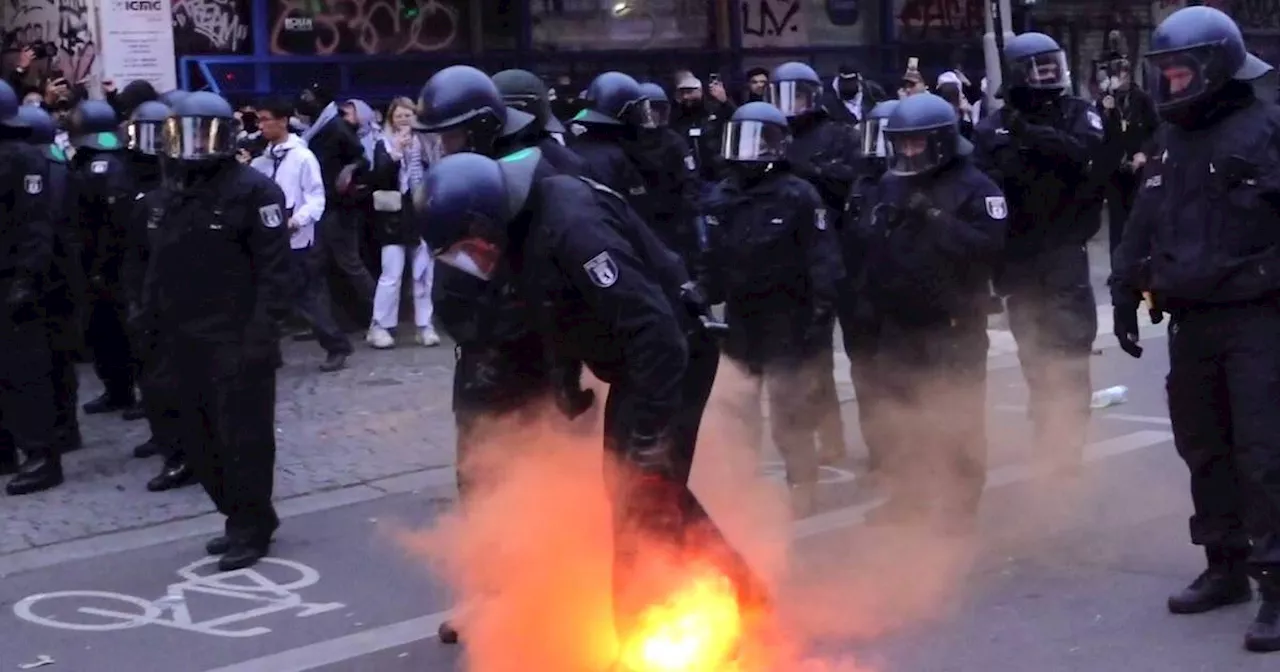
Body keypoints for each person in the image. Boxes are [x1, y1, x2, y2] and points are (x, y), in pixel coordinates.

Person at [416, 150, 764, 649]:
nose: (471, 263)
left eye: (468, 248)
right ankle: (744, 595)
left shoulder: (572, 226)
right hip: (634, 362)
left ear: (483, 220)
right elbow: (553, 311)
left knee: (640, 494)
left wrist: (647, 437)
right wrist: (565, 379)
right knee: (637, 488)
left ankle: (648, 636)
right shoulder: (519, 230)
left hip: (673, 356)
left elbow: (655, 333)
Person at [1110, 5, 1280, 653]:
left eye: (1180, 73)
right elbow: (1141, 224)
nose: (1170, 84)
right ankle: (1225, 564)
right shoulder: (1171, 140)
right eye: (1166, 73)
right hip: (1190, 321)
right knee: (1204, 447)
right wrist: (1123, 290)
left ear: (1215, 66)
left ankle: (1276, 586)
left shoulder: (1266, 130)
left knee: (1263, 453)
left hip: (1257, 317)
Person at [140, 91, 292, 570]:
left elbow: (274, 273)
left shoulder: (254, 191)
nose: (192, 147)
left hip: (237, 337)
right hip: (183, 337)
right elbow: (156, 267)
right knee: (199, 438)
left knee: (243, 439)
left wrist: (259, 338)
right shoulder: (169, 195)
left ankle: (253, 523)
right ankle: (234, 516)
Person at [857, 93, 1006, 529]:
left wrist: (938, 219)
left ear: (939, 141)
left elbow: (988, 248)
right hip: (899, 323)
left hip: (954, 323)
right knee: (901, 415)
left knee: (957, 415)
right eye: (901, 144)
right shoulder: (890, 183)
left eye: (915, 143)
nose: (907, 152)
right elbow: (869, 243)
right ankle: (908, 498)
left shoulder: (977, 187)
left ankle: (960, 506)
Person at [701, 102, 844, 515]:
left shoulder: (798, 194)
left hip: (788, 314)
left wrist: (820, 315)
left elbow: (823, 258)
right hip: (742, 316)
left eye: (758, 142)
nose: (747, 153)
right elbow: (712, 258)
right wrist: (700, 293)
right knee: (739, 404)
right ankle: (742, 480)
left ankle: (803, 482)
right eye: (741, 141)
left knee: (789, 408)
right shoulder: (723, 195)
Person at [972, 32, 1104, 475]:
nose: (1048, 75)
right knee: (1034, 349)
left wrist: (1032, 135)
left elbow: (1086, 157)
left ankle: (1067, 443)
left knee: (1069, 347)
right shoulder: (992, 128)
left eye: (1052, 66)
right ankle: (1047, 428)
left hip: (1064, 249)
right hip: (1019, 256)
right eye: (1037, 68)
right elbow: (985, 190)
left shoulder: (1079, 114)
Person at [769, 60, 856, 465]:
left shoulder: (837, 133)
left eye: (797, 96)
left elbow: (846, 181)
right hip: (791, 259)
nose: (790, 106)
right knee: (803, 358)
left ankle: (836, 437)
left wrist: (802, 170)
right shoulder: (771, 134)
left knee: (840, 354)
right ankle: (814, 437)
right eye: (782, 96)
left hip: (836, 252)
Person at [120, 99, 198, 491]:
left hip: (193, 305)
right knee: (157, 382)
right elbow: (134, 257)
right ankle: (173, 448)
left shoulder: (196, 190)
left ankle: (189, 453)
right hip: (155, 304)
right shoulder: (142, 194)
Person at [252, 97, 352, 371]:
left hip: (298, 238)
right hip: (270, 237)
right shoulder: (263, 159)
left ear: (282, 121)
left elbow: (316, 197)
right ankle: (269, 352)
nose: (260, 126)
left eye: (265, 119)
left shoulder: (302, 157)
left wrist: (298, 221)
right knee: (267, 296)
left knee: (307, 296)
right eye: (258, 120)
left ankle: (336, 345)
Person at [0, 79, 60, 496]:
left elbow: (37, 226)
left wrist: (26, 278)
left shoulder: (23, 160)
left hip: (15, 278)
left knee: (26, 373)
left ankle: (41, 455)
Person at [838, 99, 897, 483]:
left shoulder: (914, 185)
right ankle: (880, 452)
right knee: (867, 377)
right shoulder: (861, 184)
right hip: (862, 297)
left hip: (900, 298)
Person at [70, 99, 139, 418]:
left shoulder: (101, 166)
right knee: (103, 330)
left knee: (114, 329)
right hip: (101, 260)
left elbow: (110, 219)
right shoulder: (114, 158)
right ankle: (117, 389)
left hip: (105, 262)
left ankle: (124, 389)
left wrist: (100, 263)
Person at [365, 97, 439, 349]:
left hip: (421, 213)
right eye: (399, 116)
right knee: (391, 273)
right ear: (391, 119)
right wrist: (396, 153)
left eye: (409, 115)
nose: (404, 120)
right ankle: (380, 326)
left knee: (423, 273)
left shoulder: (428, 142)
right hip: (393, 217)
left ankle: (424, 325)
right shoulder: (382, 144)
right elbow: (379, 177)